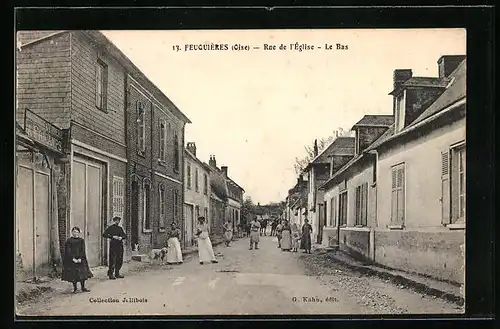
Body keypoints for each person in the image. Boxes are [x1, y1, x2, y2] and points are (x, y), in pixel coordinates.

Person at [61, 227, 93, 293]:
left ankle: (83, 287)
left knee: (82, 274)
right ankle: (75, 288)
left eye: (77, 232)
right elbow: (68, 251)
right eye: (74, 232)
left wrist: (80, 258)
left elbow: (82, 250)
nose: (75, 233)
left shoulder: (81, 240)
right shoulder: (69, 241)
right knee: (73, 274)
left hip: (81, 259)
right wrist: (73, 259)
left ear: (79, 233)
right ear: (72, 232)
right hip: (72, 260)